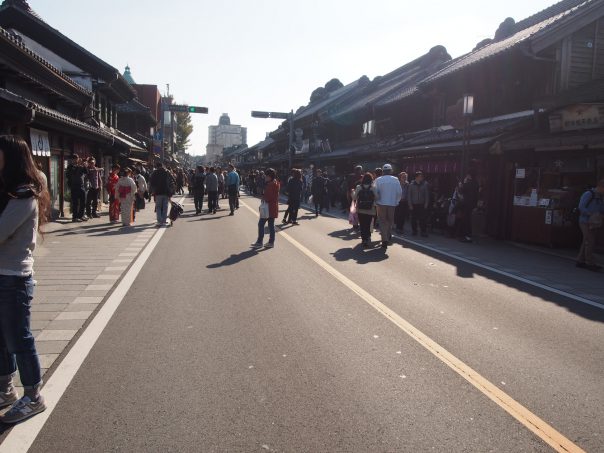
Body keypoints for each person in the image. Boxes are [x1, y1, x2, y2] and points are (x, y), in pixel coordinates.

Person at [0, 135, 50, 423]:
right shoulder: (8, 191)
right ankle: (6, 389)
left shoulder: (24, 195)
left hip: (14, 277)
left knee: (19, 338)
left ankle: (33, 396)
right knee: (1, 338)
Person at [576, 179, 604, 271]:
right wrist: (591, 214)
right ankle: (589, 262)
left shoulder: (600, 197)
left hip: (594, 222)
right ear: (600, 186)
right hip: (585, 221)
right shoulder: (589, 194)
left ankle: (580, 260)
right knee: (590, 241)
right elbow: (581, 207)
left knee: (586, 241)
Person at [373, 164, 402, 249]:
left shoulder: (378, 179)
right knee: (390, 220)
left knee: (382, 221)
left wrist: (376, 201)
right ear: (391, 171)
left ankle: (384, 239)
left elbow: (375, 191)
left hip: (381, 203)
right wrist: (396, 201)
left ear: (383, 171)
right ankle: (388, 234)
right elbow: (399, 192)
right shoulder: (395, 179)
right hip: (392, 203)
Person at [252, 168, 279, 248]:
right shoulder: (276, 183)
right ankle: (271, 242)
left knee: (261, 224)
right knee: (271, 225)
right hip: (273, 207)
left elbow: (268, 197)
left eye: (266, 176)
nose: (265, 177)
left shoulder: (270, 185)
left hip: (268, 208)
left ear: (270, 176)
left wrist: (263, 197)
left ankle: (259, 242)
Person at [353, 173, 376, 248]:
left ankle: (364, 239)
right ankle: (368, 236)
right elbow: (378, 197)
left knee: (362, 225)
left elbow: (354, 197)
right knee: (368, 224)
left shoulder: (359, 187)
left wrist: (352, 192)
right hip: (371, 209)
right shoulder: (373, 187)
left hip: (360, 209)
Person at [149, 161, 174, 226]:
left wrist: (152, 191)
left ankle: (159, 221)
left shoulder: (155, 173)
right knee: (165, 207)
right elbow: (172, 180)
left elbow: (151, 182)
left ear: (156, 167)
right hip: (166, 192)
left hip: (158, 192)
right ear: (162, 166)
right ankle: (164, 220)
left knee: (158, 207)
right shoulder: (167, 172)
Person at [65, 154, 88, 222]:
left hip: (81, 186)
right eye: (75, 159)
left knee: (83, 202)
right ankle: (74, 217)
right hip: (74, 186)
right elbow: (71, 174)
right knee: (75, 203)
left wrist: (84, 165)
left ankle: (81, 216)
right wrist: (78, 166)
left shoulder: (80, 166)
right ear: (72, 160)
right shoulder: (70, 167)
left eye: (77, 159)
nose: (76, 160)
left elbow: (86, 172)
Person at [459, 173, 480, 242]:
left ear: (469, 176)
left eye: (467, 175)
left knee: (466, 220)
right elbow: (477, 195)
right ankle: (468, 236)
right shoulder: (476, 183)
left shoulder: (468, 184)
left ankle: (466, 236)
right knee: (469, 220)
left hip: (466, 204)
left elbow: (461, 191)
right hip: (472, 204)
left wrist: (463, 184)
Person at [408, 171, 430, 237]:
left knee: (423, 219)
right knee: (413, 219)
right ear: (416, 177)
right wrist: (410, 205)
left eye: (422, 176)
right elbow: (409, 195)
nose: (421, 177)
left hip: (422, 204)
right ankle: (414, 231)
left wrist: (426, 203)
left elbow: (427, 195)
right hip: (414, 204)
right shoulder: (411, 185)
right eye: (420, 176)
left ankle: (423, 231)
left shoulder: (424, 184)